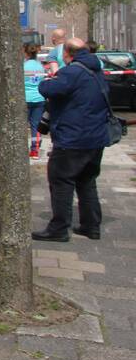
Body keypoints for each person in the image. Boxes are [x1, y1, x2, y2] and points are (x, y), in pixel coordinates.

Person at [33, 37, 110, 242]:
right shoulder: (97, 71)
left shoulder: (71, 72)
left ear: (67, 53)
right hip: (96, 137)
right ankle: (91, 226)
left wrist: (46, 81)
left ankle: (59, 228)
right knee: (87, 181)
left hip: (73, 138)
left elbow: (47, 90)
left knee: (60, 180)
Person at [23, 43, 47, 159]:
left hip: (25, 98)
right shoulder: (40, 67)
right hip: (39, 98)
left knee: (22, 125)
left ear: (26, 53)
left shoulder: (23, 66)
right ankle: (35, 150)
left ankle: (21, 148)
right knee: (36, 126)